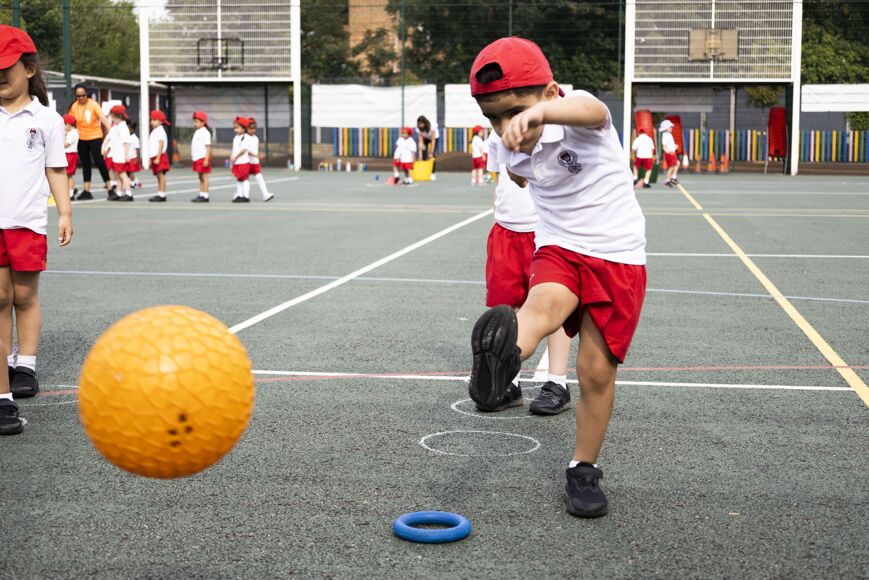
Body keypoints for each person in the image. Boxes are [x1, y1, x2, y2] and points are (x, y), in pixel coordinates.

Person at [467, 37, 646, 518]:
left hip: (617, 254)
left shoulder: (578, 115)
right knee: (541, 306)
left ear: (549, 93)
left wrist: (544, 115)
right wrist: (516, 144)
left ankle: (583, 467)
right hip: (558, 247)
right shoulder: (505, 147)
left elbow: (591, 109)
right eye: (493, 117)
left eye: (515, 111)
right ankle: (503, 358)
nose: (505, 126)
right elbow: (520, 176)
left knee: (596, 370)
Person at [0, 25, 74, 415]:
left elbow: (55, 169)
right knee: (0, 298)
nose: (0, 76)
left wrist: (64, 212)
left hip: (27, 223)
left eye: (6, 68)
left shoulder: (47, 119)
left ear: (28, 69)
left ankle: (25, 364)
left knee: (25, 297)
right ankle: (4, 366)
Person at [485, 163, 574, 414]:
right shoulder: (496, 139)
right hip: (506, 230)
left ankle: (557, 382)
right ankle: (510, 383)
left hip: (547, 230)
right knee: (509, 307)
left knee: (555, 305)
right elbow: (499, 182)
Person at [67, 82, 112, 200]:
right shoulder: (74, 106)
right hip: (81, 138)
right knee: (85, 164)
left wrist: (111, 131)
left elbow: (103, 118)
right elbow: (70, 121)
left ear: (87, 94)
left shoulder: (93, 105)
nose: (81, 98)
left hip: (95, 137)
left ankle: (110, 188)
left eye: (83, 95)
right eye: (78, 96)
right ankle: (86, 190)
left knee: (100, 162)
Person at [104, 105, 133, 201]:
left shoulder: (123, 127)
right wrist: (105, 148)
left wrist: (126, 154)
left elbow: (126, 142)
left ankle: (128, 193)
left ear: (118, 117)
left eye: (113, 117)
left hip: (121, 156)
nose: (112, 119)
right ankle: (119, 192)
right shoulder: (115, 127)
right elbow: (109, 138)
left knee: (123, 175)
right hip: (116, 156)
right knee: (117, 175)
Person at [246, 118, 273, 202]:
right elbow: (245, 151)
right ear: (246, 128)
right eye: (251, 129)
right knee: (244, 180)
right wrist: (256, 155)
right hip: (246, 162)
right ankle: (244, 195)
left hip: (255, 162)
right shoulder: (244, 138)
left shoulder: (256, 138)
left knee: (259, 177)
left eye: (254, 128)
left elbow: (255, 150)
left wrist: (258, 156)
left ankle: (265, 195)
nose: (253, 130)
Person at [147, 110, 171, 202]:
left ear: (160, 121)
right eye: (151, 120)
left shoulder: (160, 130)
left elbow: (161, 144)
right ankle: (160, 192)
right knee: (158, 175)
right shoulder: (155, 130)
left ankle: (162, 194)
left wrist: (158, 157)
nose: (152, 122)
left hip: (160, 156)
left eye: (154, 120)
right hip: (155, 156)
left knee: (161, 175)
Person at [190, 111, 212, 203]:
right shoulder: (197, 132)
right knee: (200, 177)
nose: (195, 123)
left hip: (203, 157)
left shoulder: (205, 132)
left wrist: (206, 159)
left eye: (197, 121)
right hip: (197, 157)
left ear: (203, 122)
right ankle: (201, 193)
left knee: (204, 177)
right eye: (194, 121)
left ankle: (205, 195)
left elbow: (208, 147)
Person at [230, 116, 251, 203]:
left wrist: (235, 157)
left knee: (244, 179)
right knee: (239, 179)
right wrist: (232, 157)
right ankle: (239, 195)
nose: (235, 130)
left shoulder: (246, 137)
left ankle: (246, 196)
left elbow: (243, 150)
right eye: (234, 128)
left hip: (243, 162)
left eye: (237, 128)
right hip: (237, 162)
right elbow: (234, 149)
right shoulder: (236, 138)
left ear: (243, 128)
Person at [416, 115, 439, 181]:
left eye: (421, 124)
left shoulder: (432, 126)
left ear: (425, 123)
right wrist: (420, 154)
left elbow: (433, 141)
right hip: (425, 139)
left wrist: (431, 152)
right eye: (419, 124)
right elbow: (420, 142)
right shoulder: (418, 129)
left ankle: (432, 173)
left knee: (432, 155)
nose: (420, 126)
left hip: (434, 139)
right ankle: (425, 172)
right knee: (424, 155)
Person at [62, 113, 79, 200]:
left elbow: (66, 144)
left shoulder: (73, 132)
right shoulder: (69, 132)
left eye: (64, 124)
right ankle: (70, 191)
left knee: (69, 175)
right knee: (66, 175)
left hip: (70, 155)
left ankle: (71, 194)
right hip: (67, 155)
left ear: (68, 124)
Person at [659, 119, 680, 187]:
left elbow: (670, 144)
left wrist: (674, 147)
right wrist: (669, 151)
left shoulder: (669, 135)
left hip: (672, 153)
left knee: (677, 164)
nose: (671, 128)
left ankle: (673, 177)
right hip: (670, 154)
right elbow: (664, 146)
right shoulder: (665, 135)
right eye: (670, 127)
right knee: (672, 167)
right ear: (666, 128)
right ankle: (668, 180)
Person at [126, 120, 141, 189]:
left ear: (132, 129)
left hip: (133, 157)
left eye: (128, 129)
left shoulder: (135, 138)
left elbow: (138, 149)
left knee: (131, 171)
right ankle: (135, 182)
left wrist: (137, 158)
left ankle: (132, 183)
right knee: (127, 171)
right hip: (128, 158)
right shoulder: (127, 137)